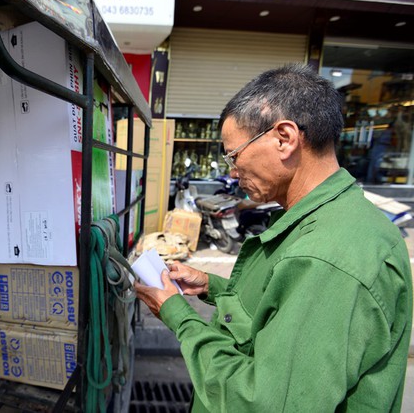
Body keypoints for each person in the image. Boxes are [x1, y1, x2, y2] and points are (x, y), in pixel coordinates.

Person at [135, 63, 413, 412]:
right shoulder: (333, 222)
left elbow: (265, 403)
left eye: (234, 155)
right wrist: (212, 287)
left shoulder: (328, 256)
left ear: (284, 138)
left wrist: (179, 315)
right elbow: (281, 312)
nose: (233, 174)